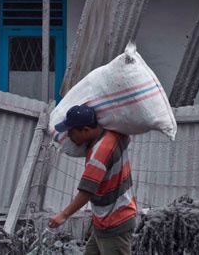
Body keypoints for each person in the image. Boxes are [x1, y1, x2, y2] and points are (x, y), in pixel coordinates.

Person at [48, 105, 137, 255]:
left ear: (86, 130)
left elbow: (87, 190)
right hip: (106, 220)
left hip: (114, 223)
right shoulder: (115, 135)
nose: (68, 136)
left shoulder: (100, 153)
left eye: (71, 131)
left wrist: (63, 215)